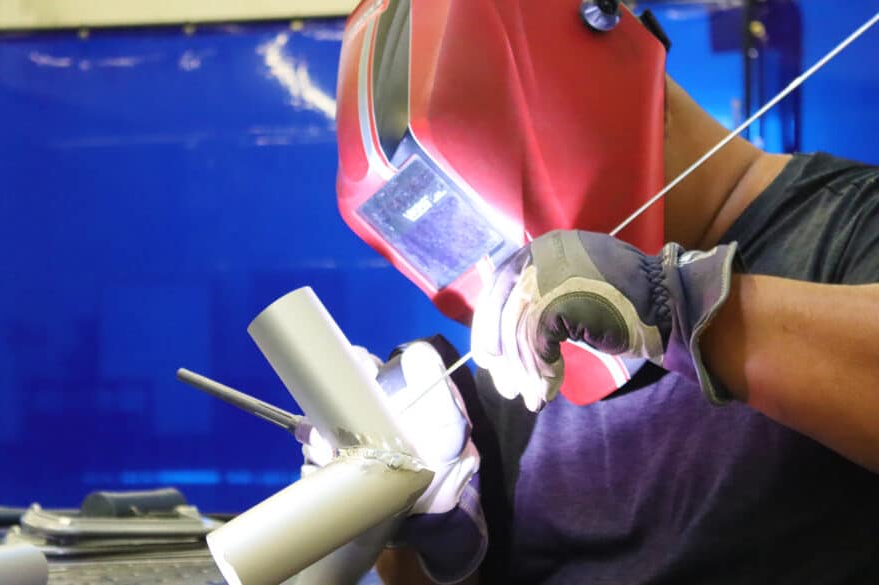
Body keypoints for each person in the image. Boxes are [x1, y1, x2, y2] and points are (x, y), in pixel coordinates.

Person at [330, 0, 879, 583]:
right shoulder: (522, 360)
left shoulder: (852, 224)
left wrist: (675, 303)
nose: (515, 270)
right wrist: (411, 516)